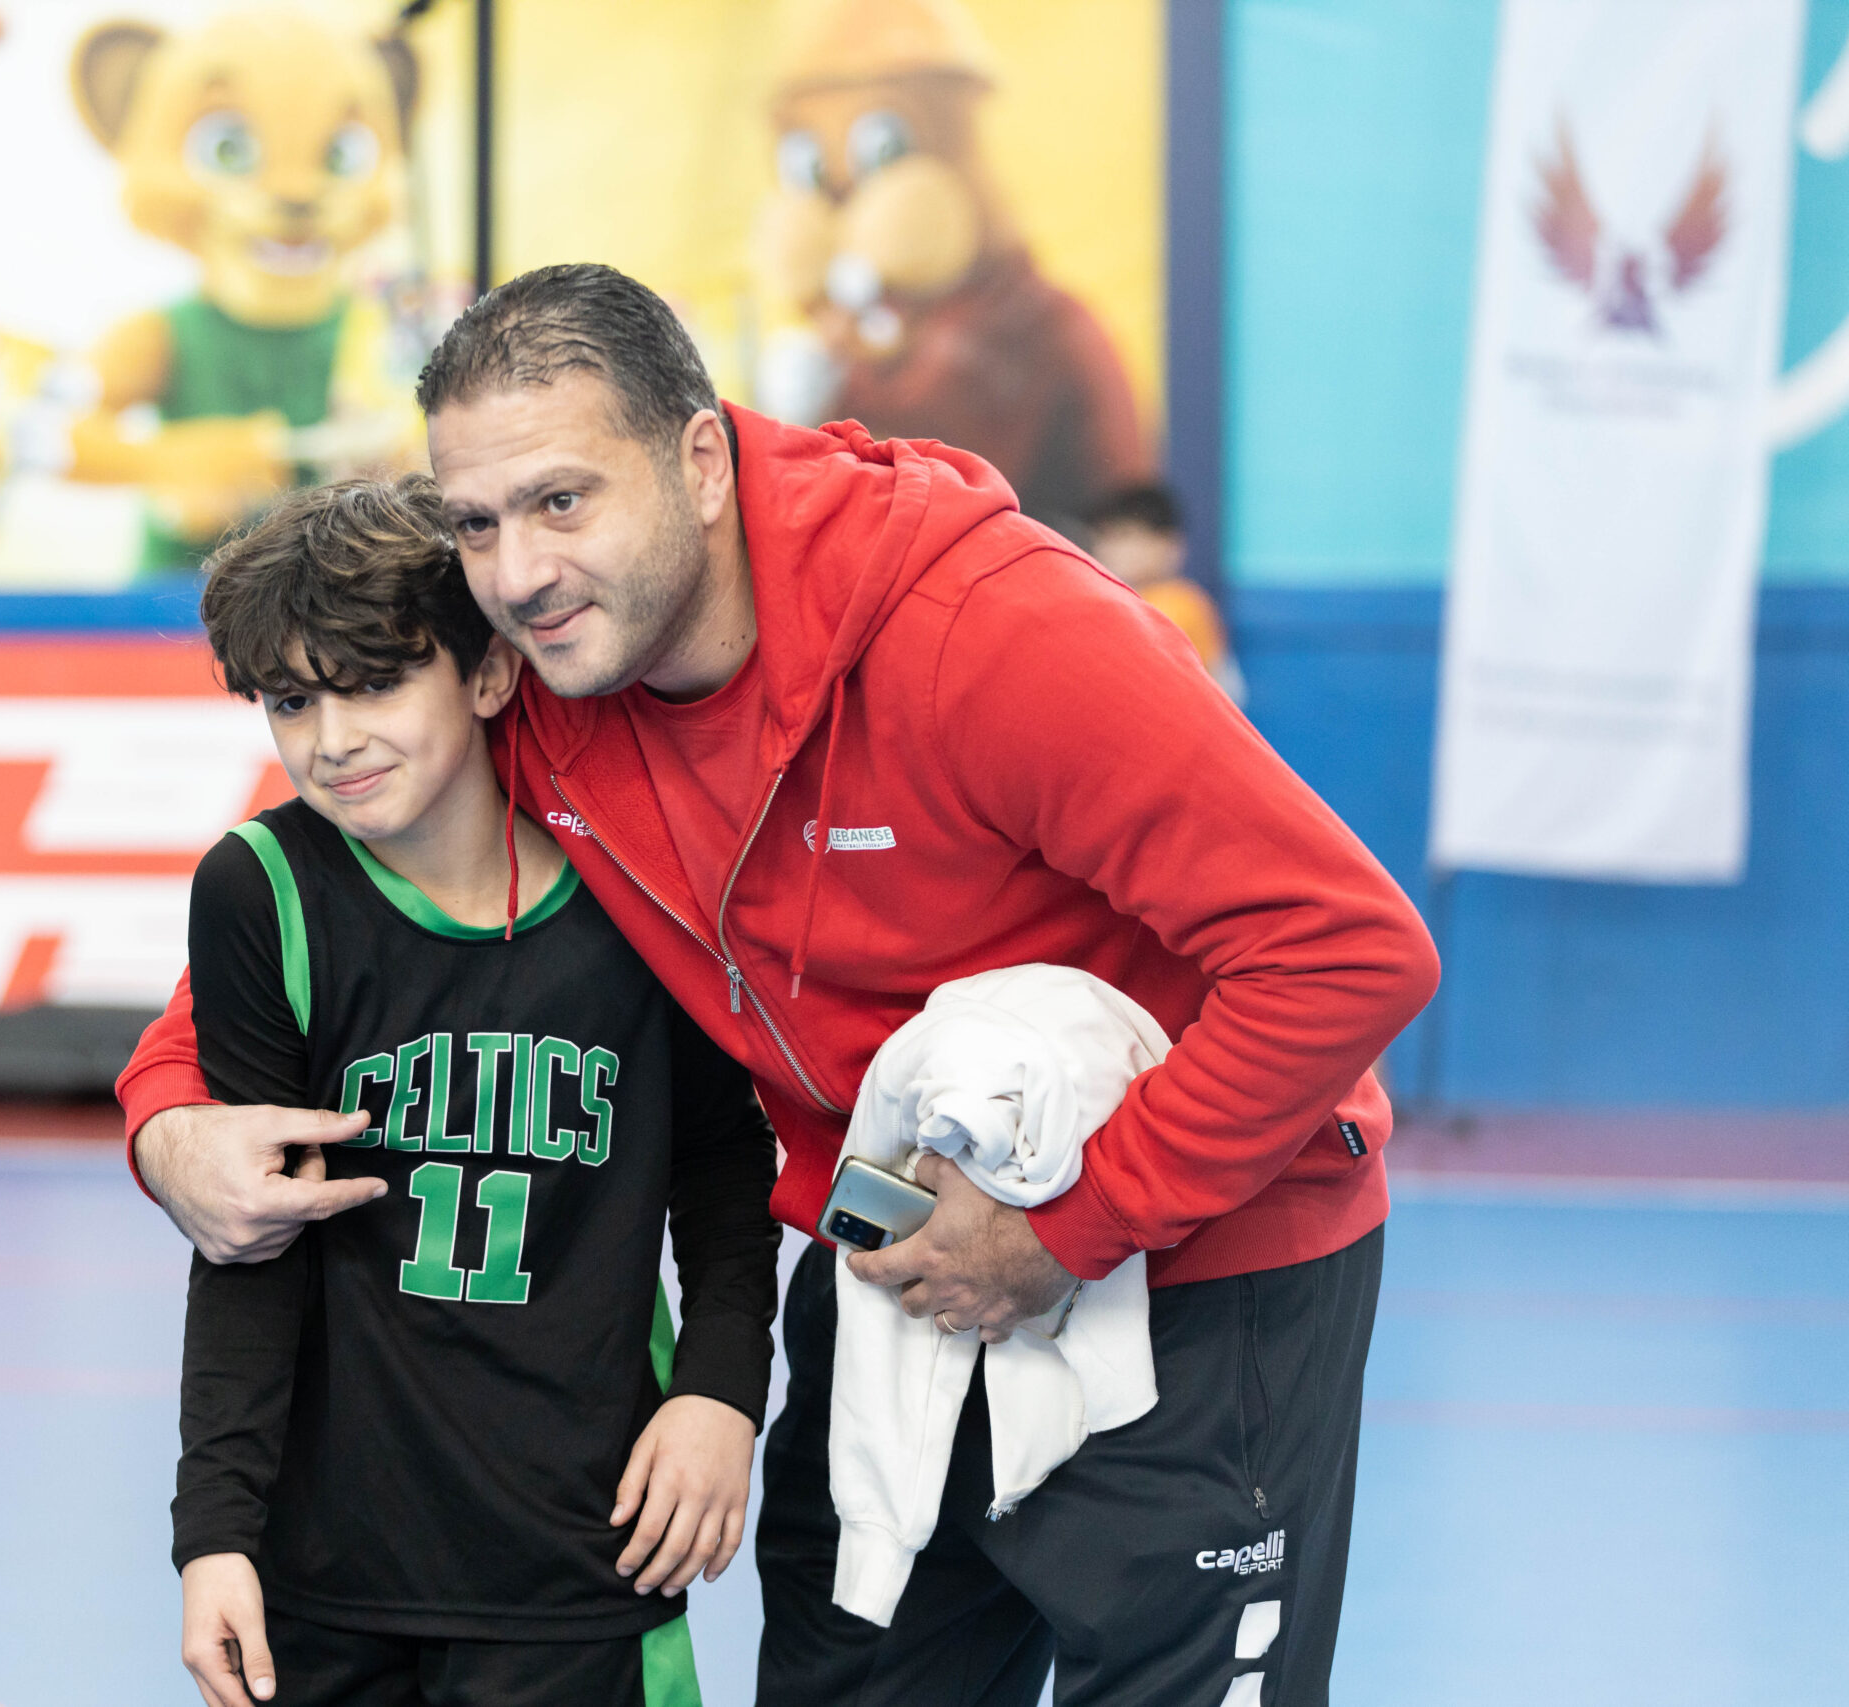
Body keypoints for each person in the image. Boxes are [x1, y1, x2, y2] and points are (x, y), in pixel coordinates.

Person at [123, 264, 1440, 1706]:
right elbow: (332, 925)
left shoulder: (991, 632)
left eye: (563, 500)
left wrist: (1072, 1223)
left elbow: (1349, 949)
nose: (517, 572)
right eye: (477, 522)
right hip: (899, 1272)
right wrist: (170, 1119)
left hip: (1194, 1263)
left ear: (701, 462)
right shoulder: (550, 674)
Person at [167, 474, 782, 1707]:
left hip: (582, 1554)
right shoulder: (260, 890)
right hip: (322, 1566)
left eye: (374, 684)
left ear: (491, 674)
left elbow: (724, 1174)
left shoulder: (642, 882)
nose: (332, 740)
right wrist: (214, 1531)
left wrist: (721, 1391)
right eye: (292, 700)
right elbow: (246, 1238)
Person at [1082, 481, 1246, 704]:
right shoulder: (1115, 599)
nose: (1112, 548)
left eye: (1126, 535)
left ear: (1170, 544)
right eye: (1104, 536)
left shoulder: (1179, 603)